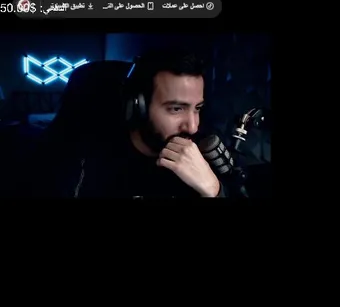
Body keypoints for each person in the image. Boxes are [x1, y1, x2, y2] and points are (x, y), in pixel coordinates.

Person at [37, 48, 226, 198]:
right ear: (137, 107)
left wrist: (213, 190)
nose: (192, 127)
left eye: (197, 108)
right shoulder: (85, 166)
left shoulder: (204, 158)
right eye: (176, 109)